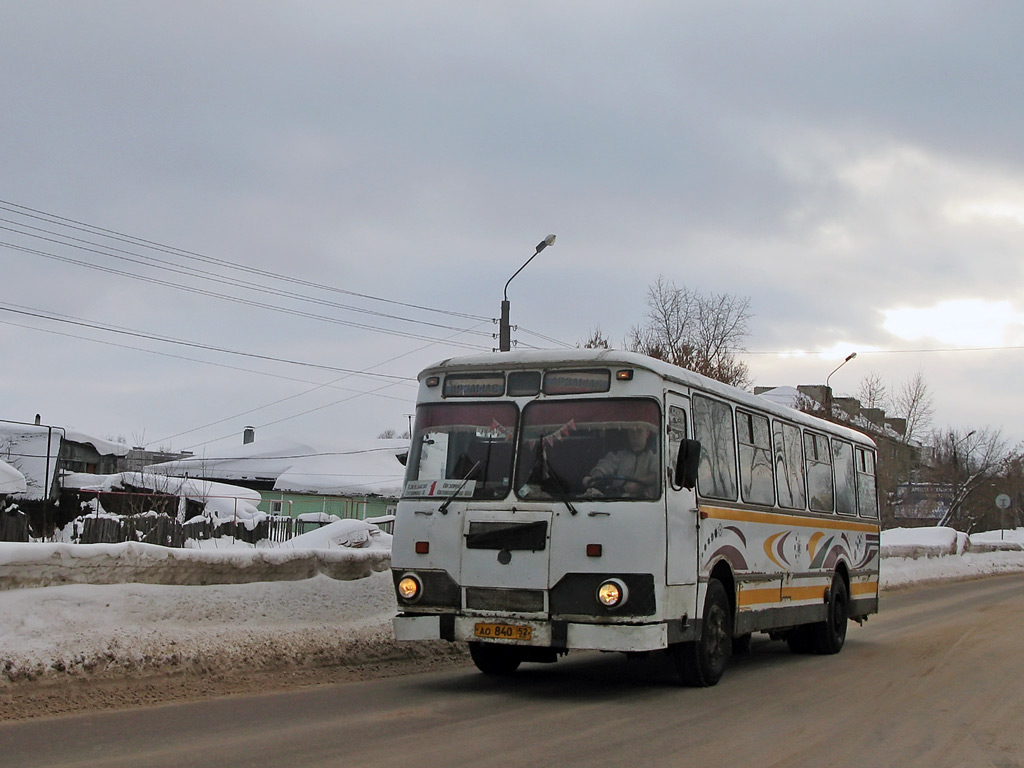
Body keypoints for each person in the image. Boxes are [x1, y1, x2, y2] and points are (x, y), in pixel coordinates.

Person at [582, 423, 659, 497]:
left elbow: (657, 475)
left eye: (639, 431)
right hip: (617, 498)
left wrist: (638, 482)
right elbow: (605, 466)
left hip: (643, 501)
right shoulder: (619, 454)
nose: (635, 435)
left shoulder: (655, 455)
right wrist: (593, 477)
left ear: (647, 433)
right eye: (631, 431)